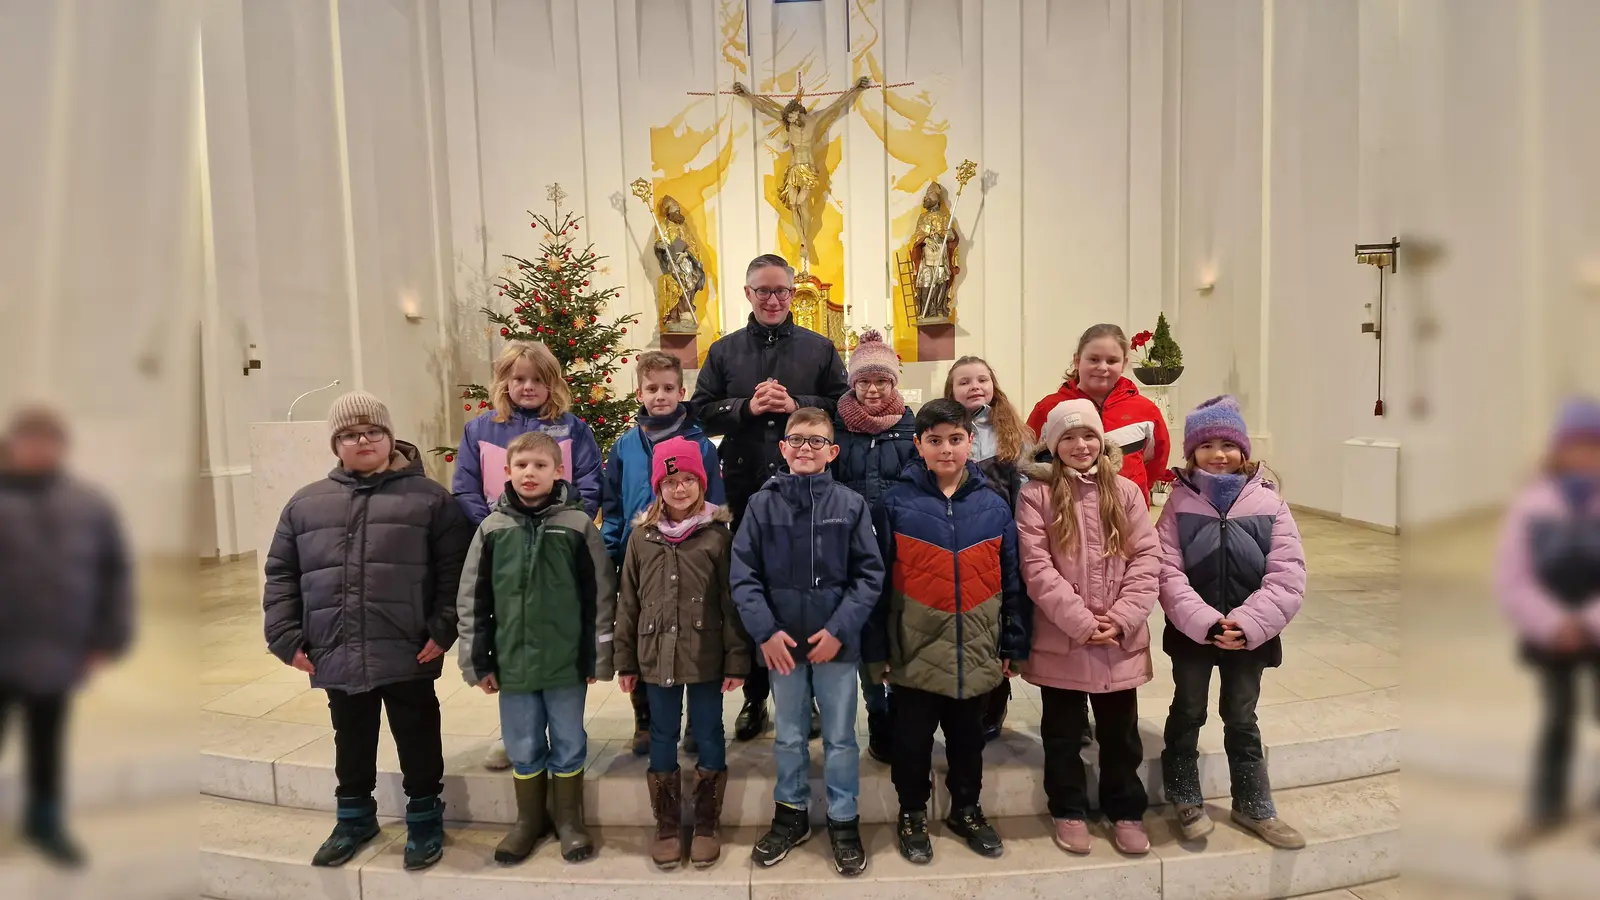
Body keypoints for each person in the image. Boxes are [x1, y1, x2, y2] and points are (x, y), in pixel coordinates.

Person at [263, 392, 472, 871]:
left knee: (417, 734)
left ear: (389, 437)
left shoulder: (430, 499)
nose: (363, 441)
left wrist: (444, 627)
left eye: (373, 431)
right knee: (351, 736)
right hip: (336, 645)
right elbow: (281, 573)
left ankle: (425, 817)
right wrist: (285, 637)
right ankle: (354, 818)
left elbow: (456, 570)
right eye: (350, 434)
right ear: (336, 444)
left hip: (409, 644)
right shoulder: (305, 503)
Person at [692, 253, 848, 741]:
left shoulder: (820, 348)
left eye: (782, 290)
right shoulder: (723, 351)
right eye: (763, 290)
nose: (774, 299)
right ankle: (755, 697)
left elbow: (843, 406)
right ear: (748, 294)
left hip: (810, 492)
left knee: (807, 587)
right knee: (754, 588)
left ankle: (808, 696)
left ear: (793, 293)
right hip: (746, 486)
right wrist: (745, 407)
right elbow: (701, 412)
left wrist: (798, 404)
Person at [869, 399, 1030, 865]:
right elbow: (877, 584)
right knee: (911, 741)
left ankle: (966, 808)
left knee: (968, 739)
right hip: (914, 650)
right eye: (934, 440)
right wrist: (877, 650)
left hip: (976, 647)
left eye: (955, 439)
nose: (945, 449)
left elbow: (1012, 579)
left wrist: (1013, 642)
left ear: (970, 442)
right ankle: (912, 813)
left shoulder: (993, 506)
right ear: (918, 445)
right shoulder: (895, 504)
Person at [731, 407, 884, 877]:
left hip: (836, 645)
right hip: (782, 646)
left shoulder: (850, 505)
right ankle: (791, 814)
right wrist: (765, 632)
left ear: (832, 451)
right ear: (783, 447)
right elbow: (743, 575)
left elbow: (869, 575)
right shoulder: (761, 505)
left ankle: (843, 820)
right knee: (790, 736)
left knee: (840, 738)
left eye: (817, 441)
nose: (805, 448)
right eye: (796, 439)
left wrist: (839, 630)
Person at [455, 431, 618, 864]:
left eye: (541, 465)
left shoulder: (578, 526)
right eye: (522, 465)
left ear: (558, 471)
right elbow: (473, 599)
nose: (530, 473)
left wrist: (598, 656)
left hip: (566, 662)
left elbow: (601, 595)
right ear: (506, 472)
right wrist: (476, 660)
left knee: (568, 738)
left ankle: (569, 820)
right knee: (523, 742)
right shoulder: (492, 529)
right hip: (513, 662)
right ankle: (529, 820)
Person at [1156, 396, 1307, 850]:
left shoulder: (1270, 504)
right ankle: (1185, 796)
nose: (1217, 454)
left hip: (1250, 636)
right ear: (1191, 452)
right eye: (1206, 445)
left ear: (1243, 449)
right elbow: (1166, 570)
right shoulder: (1179, 503)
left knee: (1241, 716)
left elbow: (1288, 573)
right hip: (1193, 633)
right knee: (1188, 710)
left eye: (1227, 444)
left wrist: (1247, 623)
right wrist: (1204, 622)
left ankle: (1254, 804)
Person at [1016, 399, 1160, 857]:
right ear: (1053, 444)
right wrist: (1079, 620)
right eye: (1069, 437)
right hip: (1063, 635)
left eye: (1089, 436)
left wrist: (1122, 617)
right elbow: (1036, 566)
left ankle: (1126, 809)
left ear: (1102, 441)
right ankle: (1068, 808)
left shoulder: (1126, 491)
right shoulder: (1036, 494)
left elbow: (1147, 557)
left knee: (1120, 733)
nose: (1081, 446)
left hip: (1119, 637)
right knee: (1062, 734)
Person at [454, 340, 605, 771]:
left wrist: (568, 523)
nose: (527, 387)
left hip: (558, 541)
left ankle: (564, 738)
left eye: (538, 379)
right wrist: (498, 526)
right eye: (518, 378)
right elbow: (465, 486)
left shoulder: (572, 429)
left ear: (552, 383)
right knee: (512, 633)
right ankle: (517, 736)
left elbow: (590, 482)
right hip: (505, 543)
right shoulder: (481, 429)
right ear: (504, 381)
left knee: (554, 627)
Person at [0, 406, 132, 867]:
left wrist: (108, 638)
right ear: (13, 445)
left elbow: (114, 572)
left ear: (61, 447)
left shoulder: (89, 504)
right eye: (29, 441)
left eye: (48, 441)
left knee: (46, 741)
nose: (39, 450)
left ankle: (44, 821)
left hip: (56, 648)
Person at [613, 438, 749, 870]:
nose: (680, 488)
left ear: (702, 483)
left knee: (708, 731)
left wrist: (736, 659)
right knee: (662, 732)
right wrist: (625, 661)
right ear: (658, 487)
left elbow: (732, 603)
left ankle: (706, 822)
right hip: (656, 655)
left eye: (689, 479)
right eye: (671, 481)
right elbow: (628, 603)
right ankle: (668, 824)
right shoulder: (641, 538)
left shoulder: (718, 537)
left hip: (706, 654)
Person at [602, 351, 725, 758]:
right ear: (638, 393)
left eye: (668, 388)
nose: (660, 396)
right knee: (646, 634)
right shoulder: (625, 446)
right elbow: (613, 506)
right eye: (651, 388)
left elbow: (716, 504)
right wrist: (613, 548)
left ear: (681, 392)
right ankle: (646, 718)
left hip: (693, 555)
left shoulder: (701, 446)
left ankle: (695, 724)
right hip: (640, 554)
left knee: (693, 634)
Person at [1495, 397, 1600, 846]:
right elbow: (1512, 577)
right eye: (1576, 445)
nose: (1585, 456)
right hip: (1551, 635)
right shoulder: (1533, 503)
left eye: (1594, 447)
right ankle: (1546, 807)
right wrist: (1555, 624)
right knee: (1558, 717)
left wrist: (1588, 623)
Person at [944, 356, 1044, 742]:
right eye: (964, 381)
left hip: (1005, 537)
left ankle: (995, 698)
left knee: (1000, 619)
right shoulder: (945, 430)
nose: (975, 386)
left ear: (993, 385)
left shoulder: (1015, 432)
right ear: (951, 390)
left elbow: (1028, 489)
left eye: (982, 380)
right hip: (959, 539)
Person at [828, 330, 917, 763]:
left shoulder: (911, 424)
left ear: (894, 381)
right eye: (864, 381)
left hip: (900, 542)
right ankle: (876, 711)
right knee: (864, 627)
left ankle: (899, 707)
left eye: (881, 380)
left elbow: (919, 478)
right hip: (851, 543)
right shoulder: (836, 425)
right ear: (853, 383)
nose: (873, 389)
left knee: (898, 624)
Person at [1026, 324, 1171, 505]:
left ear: (1124, 364)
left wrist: (1137, 490)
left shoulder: (1145, 410)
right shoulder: (1048, 408)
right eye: (1094, 359)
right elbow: (1029, 459)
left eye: (1112, 361)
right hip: (1066, 512)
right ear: (1077, 361)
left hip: (1128, 511)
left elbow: (1156, 461)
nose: (1102, 367)